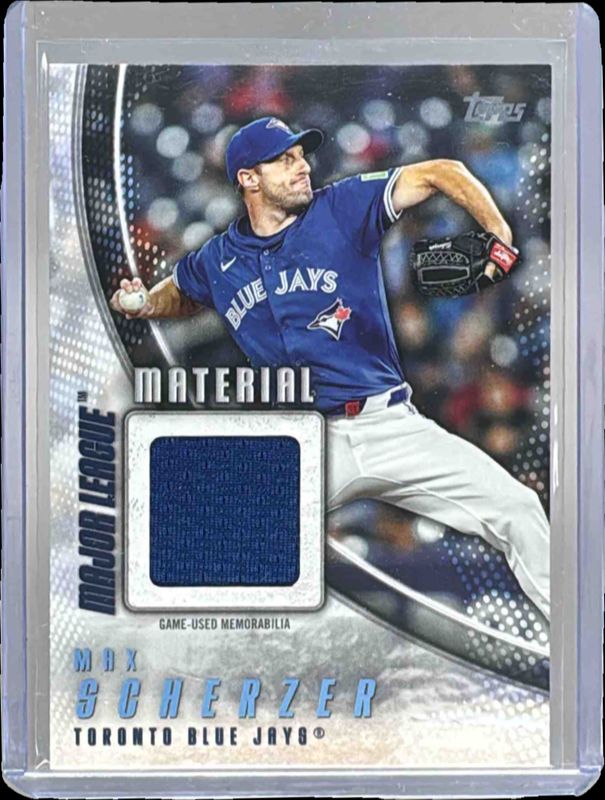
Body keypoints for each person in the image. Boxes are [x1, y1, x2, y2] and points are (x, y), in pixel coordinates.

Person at [111, 116, 550, 620]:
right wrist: (147, 302)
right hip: (306, 443)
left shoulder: (342, 207)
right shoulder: (218, 259)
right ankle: (201, 656)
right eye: (285, 160)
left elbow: (440, 171)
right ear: (249, 178)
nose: (302, 167)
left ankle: (569, 642)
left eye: (301, 156)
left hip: (389, 426)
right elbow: (184, 292)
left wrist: (497, 230)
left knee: (516, 507)